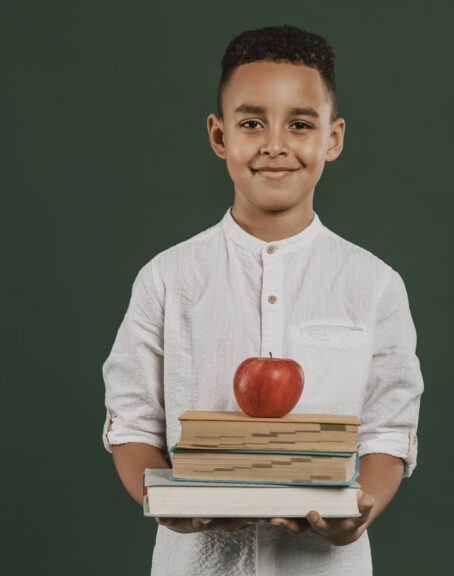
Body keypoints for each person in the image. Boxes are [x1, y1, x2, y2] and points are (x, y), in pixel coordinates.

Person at [101, 24, 423, 576]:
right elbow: (131, 423)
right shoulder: (167, 278)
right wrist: (166, 504)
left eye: (300, 124)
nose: (275, 144)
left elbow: (389, 430)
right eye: (252, 123)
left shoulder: (374, 285)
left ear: (334, 138)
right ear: (219, 136)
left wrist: (358, 512)